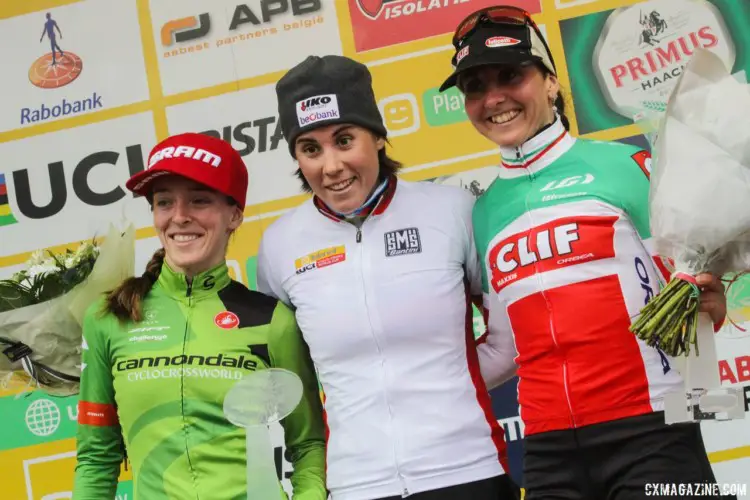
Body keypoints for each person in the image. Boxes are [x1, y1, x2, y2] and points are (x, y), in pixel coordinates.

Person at [439, 5, 734, 500]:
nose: (493, 98)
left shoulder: (623, 166)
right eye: (474, 86)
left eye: (511, 76)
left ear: (551, 82)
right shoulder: (483, 211)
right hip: (548, 449)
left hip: (653, 431)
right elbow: (506, 346)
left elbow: (686, 294)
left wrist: (711, 307)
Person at [256, 54, 521, 500]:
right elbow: (288, 378)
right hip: (356, 483)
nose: (332, 166)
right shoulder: (280, 244)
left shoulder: (451, 211)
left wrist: (450, 382)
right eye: (311, 149)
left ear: (378, 137)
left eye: (345, 140)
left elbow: (509, 342)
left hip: (466, 468)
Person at [72, 133, 327, 500]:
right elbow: (97, 458)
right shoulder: (110, 319)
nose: (179, 217)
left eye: (199, 200)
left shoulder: (271, 320)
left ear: (234, 214)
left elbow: (307, 445)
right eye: (164, 202)